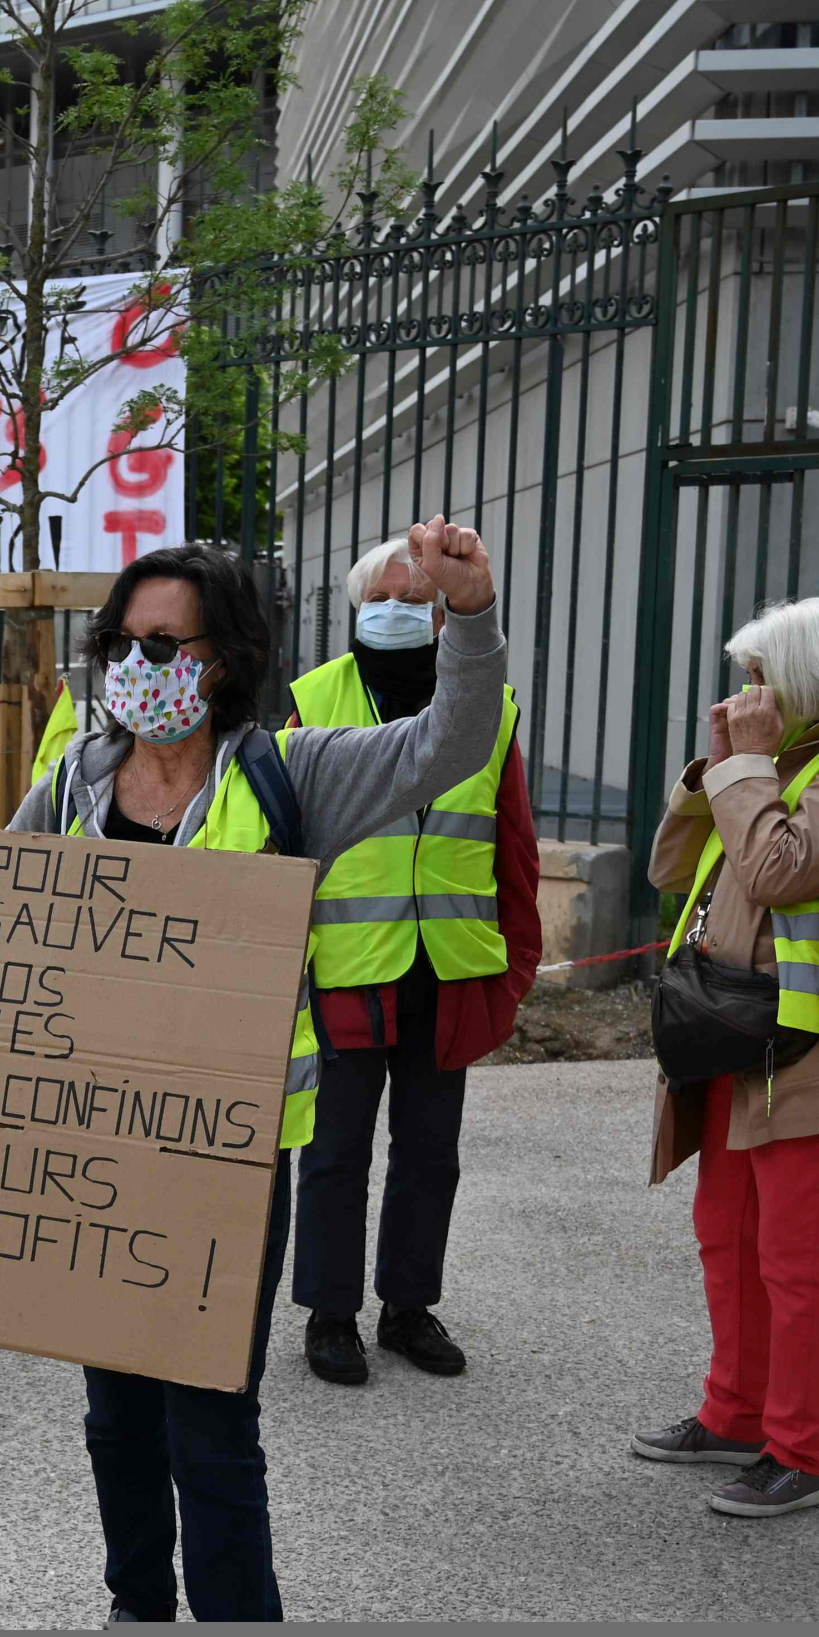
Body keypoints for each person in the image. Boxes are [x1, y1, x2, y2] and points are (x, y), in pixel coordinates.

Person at [8, 524, 505, 1623]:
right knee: (115, 1421)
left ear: (224, 657)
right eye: (126, 644)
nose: (141, 668)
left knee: (211, 1424)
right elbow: (14, 939)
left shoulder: (295, 773)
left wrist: (468, 618)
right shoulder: (72, 786)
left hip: (224, 1167)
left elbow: (452, 743)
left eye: (168, 646)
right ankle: (136, 1607)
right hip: (98, 1154)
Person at [633, 597, 819, 1520]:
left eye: (762, 676)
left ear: (812, 676)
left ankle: (799, 1450)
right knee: (726, 1235)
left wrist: (750, 768)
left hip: (816, 1052)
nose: (747, 693)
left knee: (797, 1260)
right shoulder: (781, 759)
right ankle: (735, 1412)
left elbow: (777, 870)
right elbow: (671, 871)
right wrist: (717, 770)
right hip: (731, 1036)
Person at [286, 538, 543, 1384]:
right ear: (358, 608)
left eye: (415, 594)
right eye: (382, 594)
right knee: (335, 1151)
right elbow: (278, 844)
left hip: (450, 962)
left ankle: (407, 1308)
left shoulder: (488, 707)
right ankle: (330, 1315)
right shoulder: (310, 701)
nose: (397, 606)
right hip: (346, 962)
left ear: (442, 613)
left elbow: (514, 846)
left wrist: (515, 960)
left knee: (431, 1150)